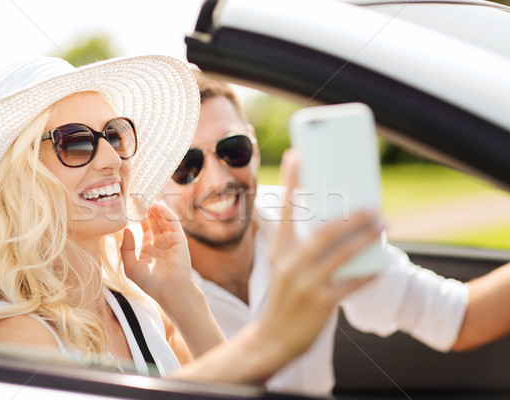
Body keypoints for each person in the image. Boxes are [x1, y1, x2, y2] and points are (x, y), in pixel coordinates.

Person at [0, 55, 382, 385]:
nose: (110, 157)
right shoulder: (15, 337)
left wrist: (183, 296)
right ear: (20, 180)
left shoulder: (138, 308)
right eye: (75, 143)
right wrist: (272, 339)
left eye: (114, 134)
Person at [160, 69, 510, 394]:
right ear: (157, 181)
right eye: (185, 165)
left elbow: (456, 318)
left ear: (253, 144)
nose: (219, 180)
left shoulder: (312, 222)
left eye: (232, 149)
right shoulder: (145, 283)